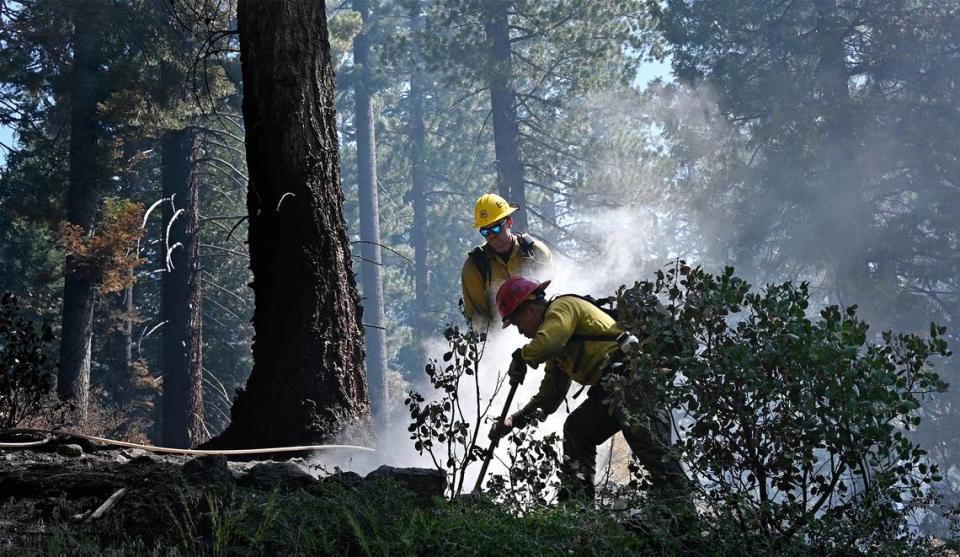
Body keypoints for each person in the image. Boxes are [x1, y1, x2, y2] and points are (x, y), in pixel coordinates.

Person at [489, 276, 687, 502]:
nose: (520, 332)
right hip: (614, 389)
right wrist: (514, 420)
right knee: (577, 431)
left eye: (517, 322)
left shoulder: (562, 308)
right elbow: (550, 397)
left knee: (651, 447)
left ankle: (684, 518)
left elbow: (548, 343)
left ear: (531, 308)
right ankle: (577, 510)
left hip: (633, 378)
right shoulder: (559, 347)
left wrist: (521, 357)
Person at [461, 193, 552, 329]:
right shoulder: (474, 267)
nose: (492, 235)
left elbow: (552, 298)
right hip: (500, 339)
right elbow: (477, 320)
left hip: (544, 327)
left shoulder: (535, 252)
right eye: (485, 231)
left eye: (497, 227)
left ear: (509, 222)